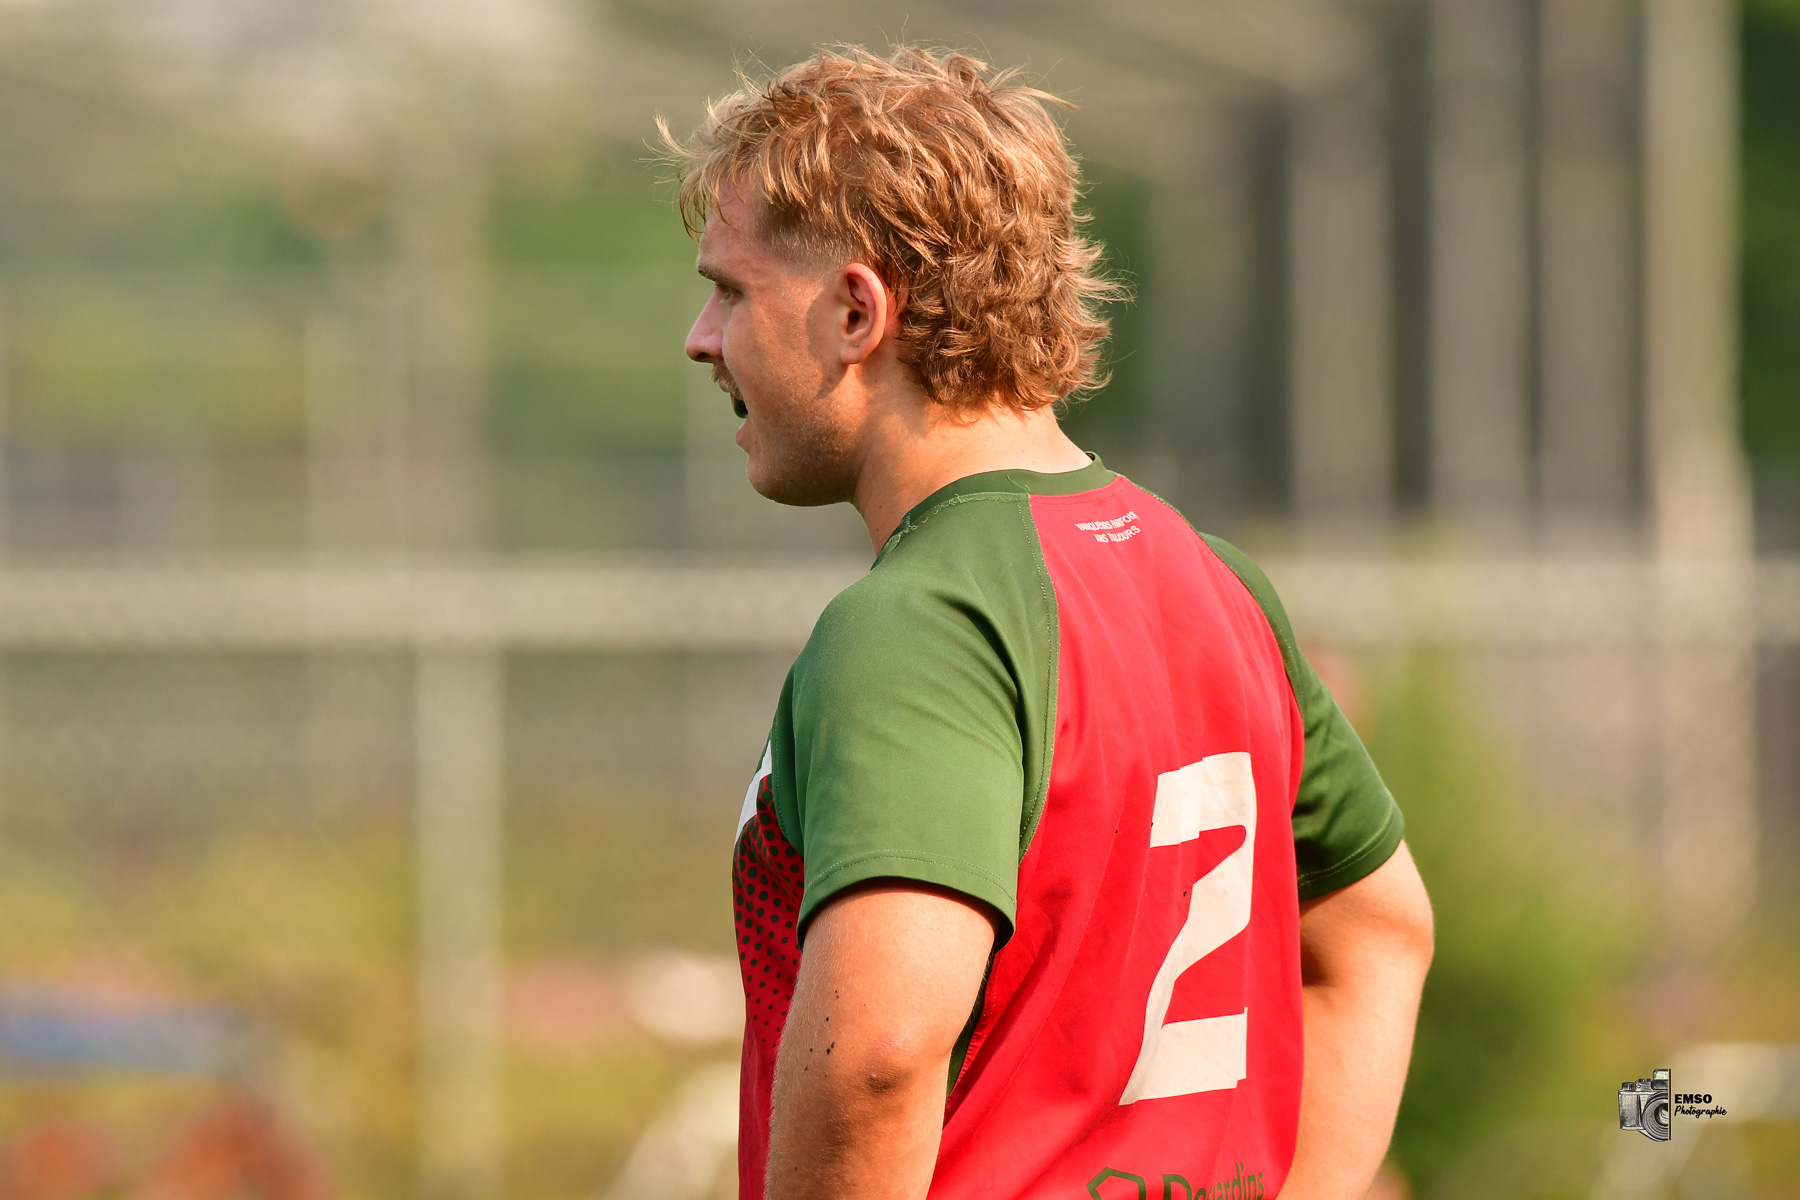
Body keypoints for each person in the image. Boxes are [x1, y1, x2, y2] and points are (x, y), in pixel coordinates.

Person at [664, 45, 1434, 1200]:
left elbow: (878, 1052)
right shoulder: (1216, 583)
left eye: (731, 290)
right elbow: (1381, 935)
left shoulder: (918, 626)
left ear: (857, 312)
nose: (701, 335)